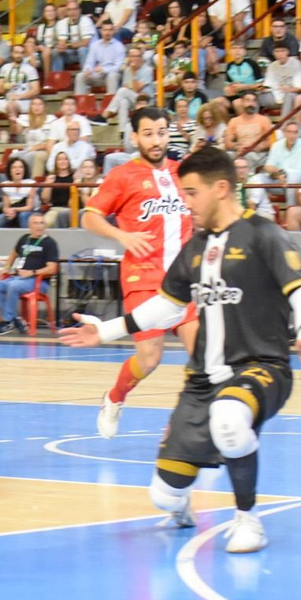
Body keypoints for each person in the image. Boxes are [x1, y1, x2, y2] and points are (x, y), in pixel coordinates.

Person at [58, 145, 301, 554]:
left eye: (192, 193)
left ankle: (248, 520)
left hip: (260, 366)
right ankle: (179, 502)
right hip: (202, 382)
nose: (186, 203)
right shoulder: (196, 248)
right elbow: (166, 307)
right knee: (164, 496)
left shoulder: (264, 235)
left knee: (230, 417)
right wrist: (106, 331)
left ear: (221, 188)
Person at [79, 108, 198, 438]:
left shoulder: (184, 172)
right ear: (134, 137)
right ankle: (115, 398)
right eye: (148, 134)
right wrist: (122, 235)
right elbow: (89, 217)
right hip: (143, 278)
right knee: (149, 359)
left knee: (203, 356)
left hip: (185, 279)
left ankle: (182, 425)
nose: (156, 140)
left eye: (162, 132)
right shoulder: (122, 176)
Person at [0, 213, 60, 335]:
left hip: (38, 281)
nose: (39, 226)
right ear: (29, 226)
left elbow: (52, 269)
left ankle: (7, 321)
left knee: (13, 286)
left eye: (41, 223)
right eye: (35, 223)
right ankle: (14, 320)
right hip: (18, 278)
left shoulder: (49, 243)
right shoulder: (24, 239)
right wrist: (7, 267)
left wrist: (32, 272)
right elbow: (13, 254)